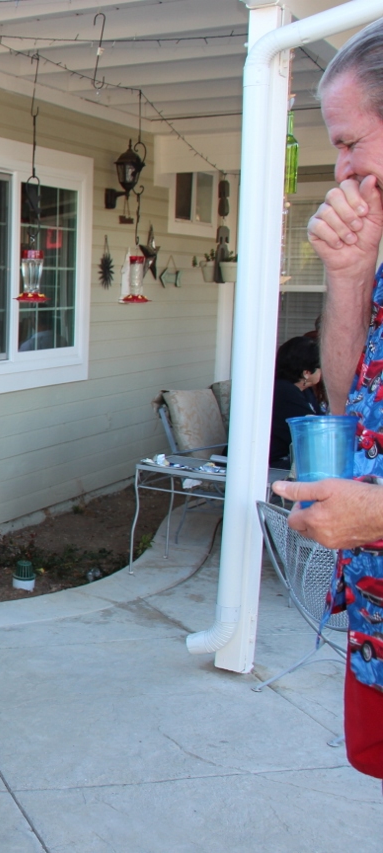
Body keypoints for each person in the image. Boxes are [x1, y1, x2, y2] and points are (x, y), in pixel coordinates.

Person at [272, 18, 383, 781]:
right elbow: (351, 408)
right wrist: (348, 273)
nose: (339, 169)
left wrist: (373, 515)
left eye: (348, 143)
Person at [269, 336, 321, 467]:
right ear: (307, 372)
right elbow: (312, 433)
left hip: (287, 459)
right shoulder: (284, 391)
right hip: (268, 463)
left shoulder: (304, 390)